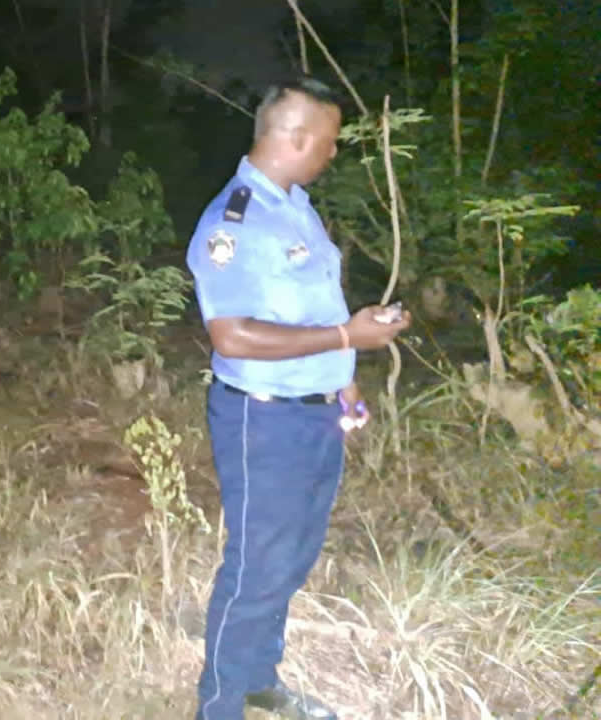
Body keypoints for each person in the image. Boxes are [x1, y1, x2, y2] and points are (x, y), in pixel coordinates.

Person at [184, 77, 411, 720]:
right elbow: (231, 334)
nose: (333, 153)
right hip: (263, 420)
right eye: (330, 142)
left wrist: (345, 378)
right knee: (256, 566)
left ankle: (259, 679)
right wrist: (349, 335)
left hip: (314, 413)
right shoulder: (235, 221)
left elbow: (314, 305)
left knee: (291, 559)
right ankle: (220, 705)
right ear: (297, 137)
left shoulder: (295, 206)